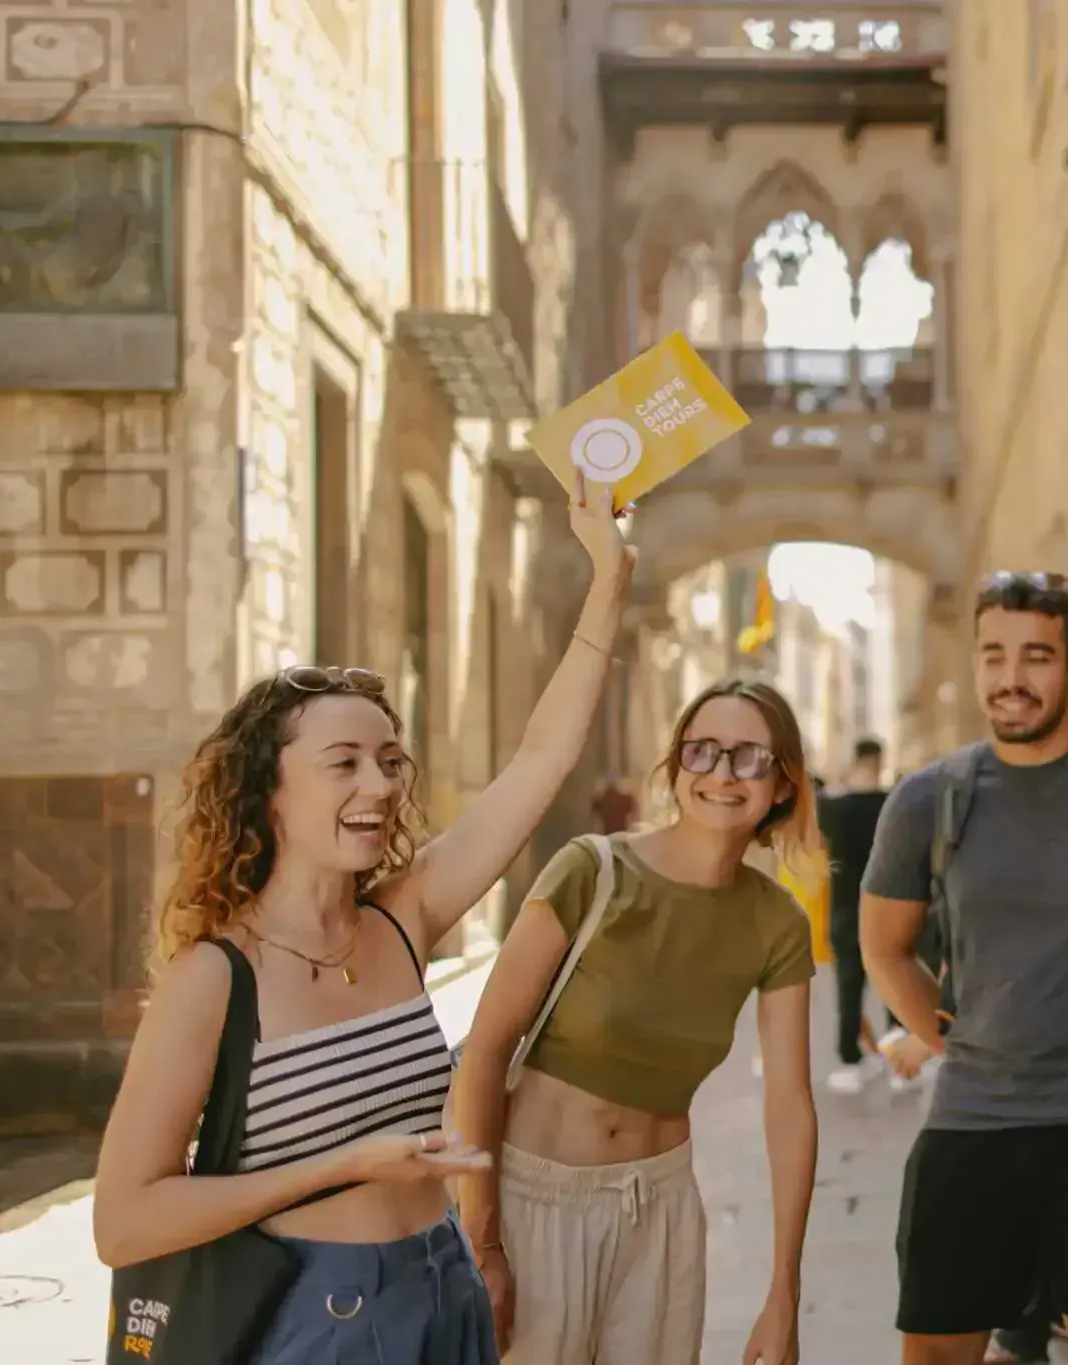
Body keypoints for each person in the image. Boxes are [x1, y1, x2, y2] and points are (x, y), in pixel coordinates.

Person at [90, 476, 634, 1364]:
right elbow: (123, 1221)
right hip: (318, 1316)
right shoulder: (215, 976)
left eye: (388, 760)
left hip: (443, 1286)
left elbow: (542, 758)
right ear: (267, 792)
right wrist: (344, 1165)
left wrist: (610, 578)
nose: (379, 785)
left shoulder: (401, 918)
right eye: (342, 763)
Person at [860, 571, 1068, 1365]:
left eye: (1037, 656)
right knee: (935, 1349)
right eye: (995, 655)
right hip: (972, 1120)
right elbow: (884, 946)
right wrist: (956, 1039)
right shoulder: (928, 798)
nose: (1012, 678)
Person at [451, 679, 821, 1365]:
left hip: (662, 1215)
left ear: (783, 784)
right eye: (702, 750)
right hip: (534, 1203)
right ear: (677, 765)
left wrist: (784, 1293)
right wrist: (483, 1240)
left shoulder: (777, 923)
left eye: (749, 757)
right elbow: (485, 1050)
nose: (720, 773)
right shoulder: (592, 873)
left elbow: (790, 1106)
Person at [821, 737, 893, 1094]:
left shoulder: (833, 807)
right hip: (888, 907)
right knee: (894, 981)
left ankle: (851, 1059)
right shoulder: (893, 803)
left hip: (846, 909)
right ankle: (898, 1053)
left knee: (849, 988)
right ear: (879, 761)